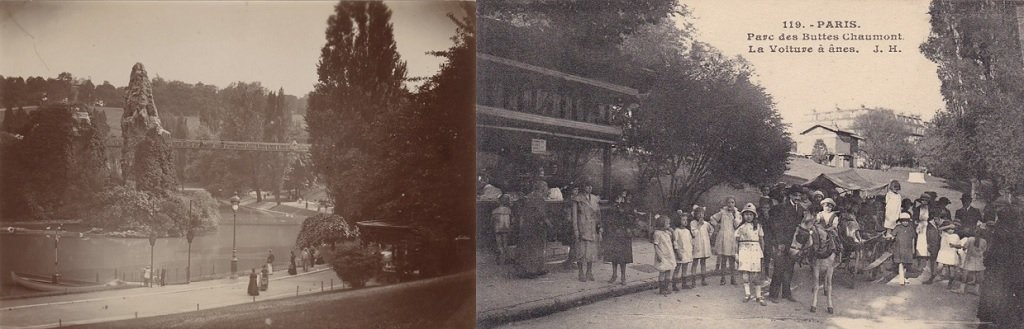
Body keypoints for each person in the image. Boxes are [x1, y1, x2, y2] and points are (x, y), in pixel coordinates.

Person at [768, 185, 805, 303]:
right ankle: (773, 295)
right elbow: (776, 226)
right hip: (781, 243)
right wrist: (779, 242)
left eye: (799, 195)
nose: (797, 198)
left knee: (790, 268)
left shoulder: (800, 209)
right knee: (779, 268)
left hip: (793, 244)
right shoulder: (781, 207)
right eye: (795, 195)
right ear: (790, 195)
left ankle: (786, 293)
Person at [517, 180, 552, 278]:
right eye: (546, 187)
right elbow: (541, 214)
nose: (547, 189)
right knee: (534, 248)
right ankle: (531, 270)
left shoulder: (531, 196)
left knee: (533, 247)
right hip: (535, 226)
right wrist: (549, 224)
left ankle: (537, 268)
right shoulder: (538, 198)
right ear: (542, 188)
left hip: (529, 226)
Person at [735, 203, 767, 306]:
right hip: (744, 250)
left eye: (751, 214)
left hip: (755, 250)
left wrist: (762, 252)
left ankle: (758, 295)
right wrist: (736, 253)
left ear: (754, 216)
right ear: (743, 216)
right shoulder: (740, 228)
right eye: (746, 214)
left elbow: (761, 240)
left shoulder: (758, 227)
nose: (748, 216)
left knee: (756, 274)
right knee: (745, 274)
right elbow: (736, 242)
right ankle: (747, 293)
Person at [572, 183, 601, 282]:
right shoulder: (577, 199)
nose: (589, 188)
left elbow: (598, 214)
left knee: (591, 252)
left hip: (592, 228)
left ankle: (589, 271)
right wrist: (576, 230)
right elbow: (574, 216)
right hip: (582, 228)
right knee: (581, 251)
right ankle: (581, 272)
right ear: (583, 187)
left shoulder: (595, 199)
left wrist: (599, 227)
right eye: (587, 186)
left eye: (591, 186)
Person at [604, 190, 635, 285]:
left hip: (624, 233)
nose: (624, 195)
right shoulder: (613, 206)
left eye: (625, 193)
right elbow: (609, 219)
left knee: (623, 257)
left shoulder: (628, 205)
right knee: (614, 256)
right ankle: (614, 275)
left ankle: (623, 277)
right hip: (614, 233)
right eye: (622, 193)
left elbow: (632, 218)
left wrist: (629, 227)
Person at [711, 196, 741, 285]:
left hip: (732, 236)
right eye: (729, 202)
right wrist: (717, 225)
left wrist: (734, 215)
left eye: (732, 202)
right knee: (723, 258)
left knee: (732, 258)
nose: (730, 204)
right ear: (726, 204)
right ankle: (723, 278)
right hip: (724, 236)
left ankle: (733, 278)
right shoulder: (722, 212)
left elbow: (736, 225)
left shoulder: (737, 214)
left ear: (735, 204)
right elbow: (712, 218)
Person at [955, 227, 985, 294]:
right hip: (979, 259)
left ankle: (961, 289)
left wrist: (962, 247)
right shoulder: (984, 241)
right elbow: (984, 250)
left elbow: (964, 247)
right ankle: (976, 290)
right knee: (978, 274)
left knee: (965, 273)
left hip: (969, 258)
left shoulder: (970, 239)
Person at [689, 205, 714, 287]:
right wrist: (699, 225)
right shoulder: (693, 223)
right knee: (695, 262)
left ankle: (703, 280)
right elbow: (693, 233)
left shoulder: (706, 224)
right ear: (695, 215)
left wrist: (709, 236)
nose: (700, 215)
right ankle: (693, 281)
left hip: (704, 245)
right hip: (696, 245)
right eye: (698, 214)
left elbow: (712, 230)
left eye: (702, 213)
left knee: (703, 262)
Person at [935, 220, 961, 291]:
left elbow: (959, 245)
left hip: (951, 253)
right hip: (943, 252)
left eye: (953, 229)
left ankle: (950, 283)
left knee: (951, 270)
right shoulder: (944, 234)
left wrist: (954, 245)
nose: (951, 230)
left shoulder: (956, 236)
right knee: (939, 266)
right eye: (950, 229)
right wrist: (949, 225)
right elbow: (939, 229)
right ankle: (937, 275)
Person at [653, 215, 676, 296]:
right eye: (667, 224)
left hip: (669, 254)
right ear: (662, 224)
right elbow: (655, 245)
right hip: (662, 255)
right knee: (662, 272)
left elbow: (674, 240)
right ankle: (662, 289)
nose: (669, 225)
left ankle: (666, 287)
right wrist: (658, 255)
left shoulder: (667, 232)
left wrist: (672, 232)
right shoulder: (657, 233)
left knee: (668, 271)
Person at [892, 212, 916, 286]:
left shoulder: (910, 228)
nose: (905, 222)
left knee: (906, 264)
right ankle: (901, 279)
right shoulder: (898, 227)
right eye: (903, 221)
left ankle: (904, 277)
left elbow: (913, 238)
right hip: (899, 248)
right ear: (901, 221)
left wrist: (914, 249)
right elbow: (893, 235)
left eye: (907, 221)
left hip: (907, 249)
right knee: (901, 263)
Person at [671, 212, 693, 291]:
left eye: (686, 220)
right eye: (683, 220)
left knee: (685, 268)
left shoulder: (687, 231)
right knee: (677, 269)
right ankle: (674, 285)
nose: (685, 222)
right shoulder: (677, 231)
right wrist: (677, 252)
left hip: (687, 252)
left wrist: (691, 250)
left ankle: (684, 283)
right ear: (678, 221)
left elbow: (690, 241)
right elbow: (675, 242)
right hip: (680, 253)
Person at [492, 194, 513, 265]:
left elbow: (492, 220)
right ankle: (506, 259)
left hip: (497, 228)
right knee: (505, 244)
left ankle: (499, 259)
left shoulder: (495, 210)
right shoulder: (509, 210)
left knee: (499, 244)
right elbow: (512, 220)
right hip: (506, 228)